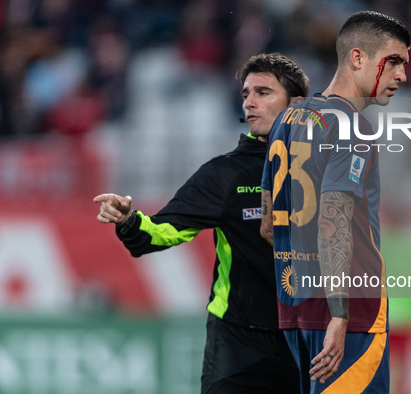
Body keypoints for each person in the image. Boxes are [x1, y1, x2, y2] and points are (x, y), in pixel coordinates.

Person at [93, 53, 309, 394]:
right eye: (245, 94)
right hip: (240, 342)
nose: (250, 102)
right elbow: (160, 233)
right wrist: (130, 220)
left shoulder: (326, 170)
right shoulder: (224, 175)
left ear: (296, 104)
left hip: (307, 338)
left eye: (263, 93)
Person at [260, 11, 411, 393]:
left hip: (296, 311)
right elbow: (333, 220)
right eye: (393, 61)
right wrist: (340, 313)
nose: (402, 75)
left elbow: (267, 224)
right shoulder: (351, 125)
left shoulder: (287, 119)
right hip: (349, 313)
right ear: (358, 58)